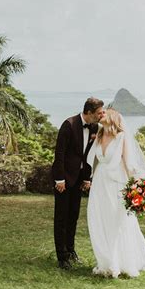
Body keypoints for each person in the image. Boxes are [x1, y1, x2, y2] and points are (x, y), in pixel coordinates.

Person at [87, 107, 145, 278]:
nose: (100, 115)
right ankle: (106, 262)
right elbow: (92, 161)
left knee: (118, 222)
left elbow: (127, 163)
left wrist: (136, 187)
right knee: (100, 220)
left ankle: (123, 262)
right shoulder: (99, 136)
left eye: (104, 113)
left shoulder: (121, 137)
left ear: (113, 117)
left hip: (116, 184)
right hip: (100, 184)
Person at [52, 97, 105, 269]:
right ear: (89, 112)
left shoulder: (95, 127)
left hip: (79, 179)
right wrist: (59, 179)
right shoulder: (69, 124)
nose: (101, 115)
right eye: (98, 113)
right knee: (61, 217)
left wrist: (86, 178)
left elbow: (89, 156)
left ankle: (70, 250)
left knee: (73, 216)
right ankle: (62, 257)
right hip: (64, 179)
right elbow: (59, 154)